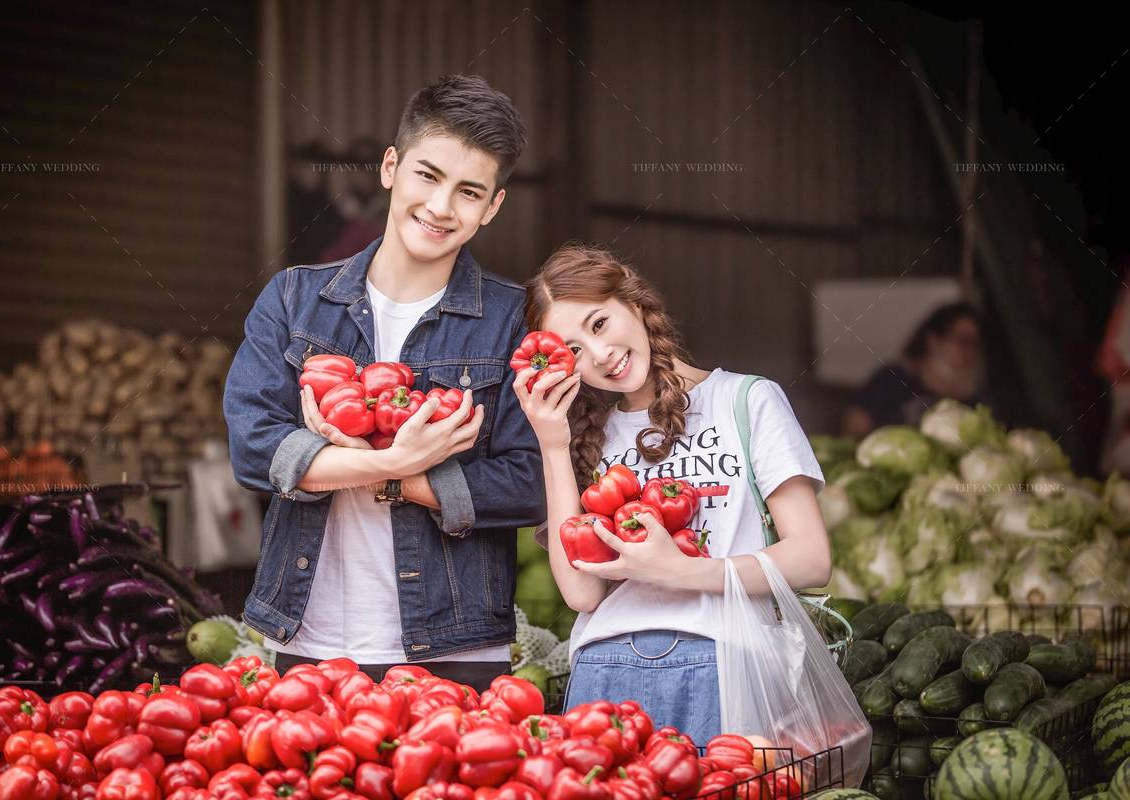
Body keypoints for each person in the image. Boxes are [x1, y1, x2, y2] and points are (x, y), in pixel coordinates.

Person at [223, 75, 546, 691]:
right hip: (310, 636)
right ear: (391, 167)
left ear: (492, 207)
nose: (442, 207)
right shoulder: (294, 299)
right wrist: (397, 461)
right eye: (428, 175)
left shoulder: (513, 320)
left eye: (469, 191)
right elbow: (254, 449)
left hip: (456, 648)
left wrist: (397, 474)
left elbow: (530, 481)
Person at [512, 244, 831, 745]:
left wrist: (682, 571)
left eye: (599, 325)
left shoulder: (747, 400)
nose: (599, 356)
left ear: (635, 303)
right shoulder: (589, 437)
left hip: (723, 662)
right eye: (572, 349)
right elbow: (582, 593)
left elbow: (811, 558)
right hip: (605, 670)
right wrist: (552, 444)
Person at [842, 302, 986, 439]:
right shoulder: (892, 380)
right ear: (933, 341)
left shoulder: (973, 401)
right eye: (963, 341)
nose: (969, 351)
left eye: (975, 344)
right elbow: (854, 428)